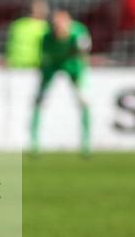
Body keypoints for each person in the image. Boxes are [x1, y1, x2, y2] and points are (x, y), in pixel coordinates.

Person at [31, 9, 92, 157]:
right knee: (38, 100)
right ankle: (34, 143)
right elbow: (43, 58)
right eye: (56, 25)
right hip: (52, 65)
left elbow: (84, 53)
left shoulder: (78, 34)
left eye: (62, 24)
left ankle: (86, 144)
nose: (59, 28)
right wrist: (43, 74)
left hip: (73, 66)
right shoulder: (46, 38)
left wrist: (82, 74)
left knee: (84, 102)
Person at [5, 0, 49, 69]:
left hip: (14, 65)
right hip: (33, 66)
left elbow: (9, 45)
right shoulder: (44, 27)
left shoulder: (17, 24)